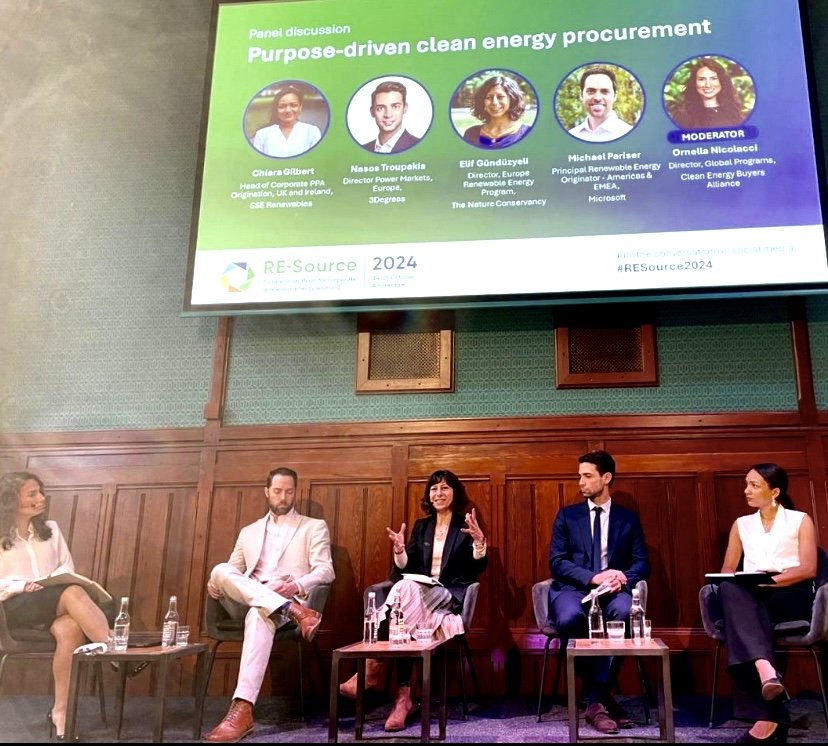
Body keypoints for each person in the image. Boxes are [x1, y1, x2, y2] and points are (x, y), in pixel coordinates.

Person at [338, 469, 488, 732]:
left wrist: (479, 543)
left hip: (448, 595)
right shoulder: (422, 527)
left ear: (455, 493)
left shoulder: (465, 526)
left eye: (444, 488)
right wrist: (399, 551)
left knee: (404, 590)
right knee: (406, 603)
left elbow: (474, 570)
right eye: (434, 489)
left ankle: (373, 667)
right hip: (418, 596)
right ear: (428, 495)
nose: (438, 493)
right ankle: (404, 696)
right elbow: (406, 567)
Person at [202, 466, 335, 743]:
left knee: (259, 613)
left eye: (289, 491)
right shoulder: (248, 532)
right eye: (277, 491)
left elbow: (326, 571)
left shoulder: (313, 526)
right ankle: (292, 610)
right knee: (219, 570)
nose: (283, 497)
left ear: (295, 492)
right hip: (252, 599)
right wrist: (217, 584)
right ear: (267, 492)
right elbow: (233, 570)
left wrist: (294, 587)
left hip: (280, 598)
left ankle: (242, 709)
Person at [0, 471, 111, 741]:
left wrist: (52, 583)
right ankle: (116, 651)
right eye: (32, 494)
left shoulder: (51, 530)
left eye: (41, 492)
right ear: (11, 500)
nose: (41, 498)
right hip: (13, 607)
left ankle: (60, 713)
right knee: (73, 592)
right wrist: (21, 585)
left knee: (71, 626)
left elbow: (65, 568)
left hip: (53, 602)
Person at [712, 463, 816, 743]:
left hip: (790, 592)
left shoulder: (800, 520)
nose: (746, 490)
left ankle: (768, 702)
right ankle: (766, 674)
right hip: (752, 593)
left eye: (754, 485)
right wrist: (743, 581)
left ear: (775, 492)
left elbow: (808, 569)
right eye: (746, 484)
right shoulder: (742, 524)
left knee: (741, 620)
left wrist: (768, 583)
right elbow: (727, 570)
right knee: (730, 589)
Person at [548, 450, 650, 735]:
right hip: (573, 589)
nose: (580, 482)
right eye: (579, 476)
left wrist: (622, 577)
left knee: (624, 612)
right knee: (569, 618)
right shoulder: (567, 516)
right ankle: (602, 697)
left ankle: (594, 700)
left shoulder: (627, 519)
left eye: (587, 476)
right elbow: (557, 562)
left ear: (606, 478)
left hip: (613, 591)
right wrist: (593, 577)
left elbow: (642, 562)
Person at [671, 57, 746, 130]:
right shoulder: (683, 116)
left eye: (713, 78)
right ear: (694, 83)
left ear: (722, 81)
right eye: (702, 79)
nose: (708, 85)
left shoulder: (734, 112)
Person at [462, 74, 532, 149]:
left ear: (512, 99)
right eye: (489, 97)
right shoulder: (471, 134)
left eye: (500, 97)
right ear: (482, 101)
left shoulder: (527, 133)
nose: (494, 102)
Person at [251, 86, 322, 158]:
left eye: (293, 105)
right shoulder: (262, 135)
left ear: (300, 107)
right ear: (276, 109)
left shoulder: (312, 132)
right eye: (282, 106)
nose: (288, 110)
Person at [568, 67, 634, 142]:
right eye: (591, 91)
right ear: (581, 95)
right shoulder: (571, 136)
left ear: (615, 96)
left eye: (605, 91)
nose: (597, 98)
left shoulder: (631, 136)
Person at [361, 80, 421, 154]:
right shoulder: (363, 149)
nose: (388, 114)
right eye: (380, 108)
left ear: (405, 108)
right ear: (372, 112)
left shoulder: (420, 147)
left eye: (395, 106)